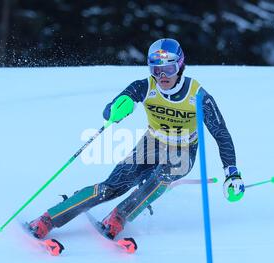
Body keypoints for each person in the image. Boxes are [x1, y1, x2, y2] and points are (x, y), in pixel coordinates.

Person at [28, 38, 244, 240]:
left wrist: (231, 172)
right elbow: (109, 110)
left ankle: (119, 217)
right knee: (111, 187)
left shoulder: (198, 95)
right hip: (152, 143)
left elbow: (221, 133)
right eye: (156, 70)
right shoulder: (145, 86)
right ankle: (48, 219)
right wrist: (119, 108)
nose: (163, 76)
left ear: (180, 66)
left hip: (183, 150)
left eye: (169, 69)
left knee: (162, 176)